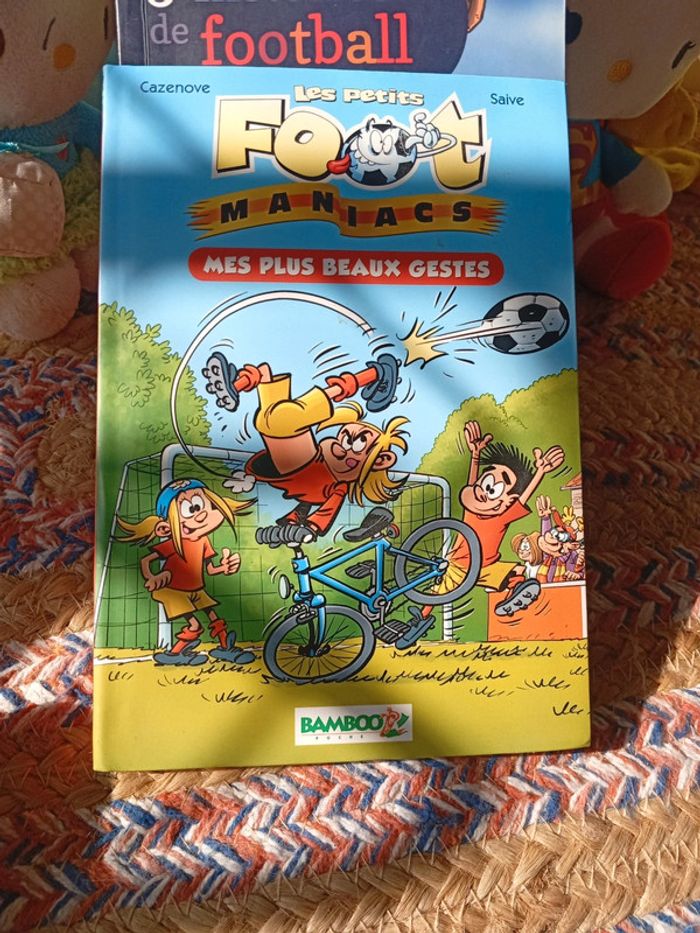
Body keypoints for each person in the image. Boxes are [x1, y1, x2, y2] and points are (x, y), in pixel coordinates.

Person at [205, 353, 408, 542]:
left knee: (270, 418)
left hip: (293, 466)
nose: (340, 448)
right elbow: (311, 502)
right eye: (344, 439)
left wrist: (307, 527)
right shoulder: (322, 468)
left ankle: (251, 379)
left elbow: (323, 509)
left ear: (381, 460)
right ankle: (370, 375)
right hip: (302, 461)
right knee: (276, 419)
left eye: (356, 445)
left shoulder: (334, 486)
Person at [118, 478, 255, 666]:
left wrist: (224, 567)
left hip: (197, 588)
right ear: (168, 524)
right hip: (174, 591)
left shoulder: (203, 540)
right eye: (190, 509)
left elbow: (210, 569)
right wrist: (153, 577)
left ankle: (225, 648)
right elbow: (146, 560)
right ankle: (174, 654)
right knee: (195, 625)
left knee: (215, 618)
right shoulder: (175, 543)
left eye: (201, 505)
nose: (200, 515)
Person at [535, 495, 584, 583]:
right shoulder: (549, 556)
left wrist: (577, 575)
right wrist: (546, 518)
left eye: (561, 536)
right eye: (554, 532)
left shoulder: (573, 556)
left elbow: (582, 570)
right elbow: (547, 539)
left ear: (572, 544)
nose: (554, 538)